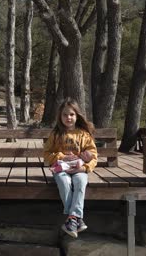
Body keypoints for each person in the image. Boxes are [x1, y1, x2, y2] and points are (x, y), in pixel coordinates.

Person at [44, 97, 97, 238]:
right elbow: (46, 154)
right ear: (60, 116)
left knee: (80, 181)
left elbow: (94, 156)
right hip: (61, 169)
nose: (68, 117)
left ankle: (71, 219)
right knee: (64, 182)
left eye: (72, 114)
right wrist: (61, 156)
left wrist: (85, 167)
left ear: (77, 115)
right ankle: (75, 218)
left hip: (79, 169)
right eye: (65, 115)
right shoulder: (56, 134)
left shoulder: (84, 134)